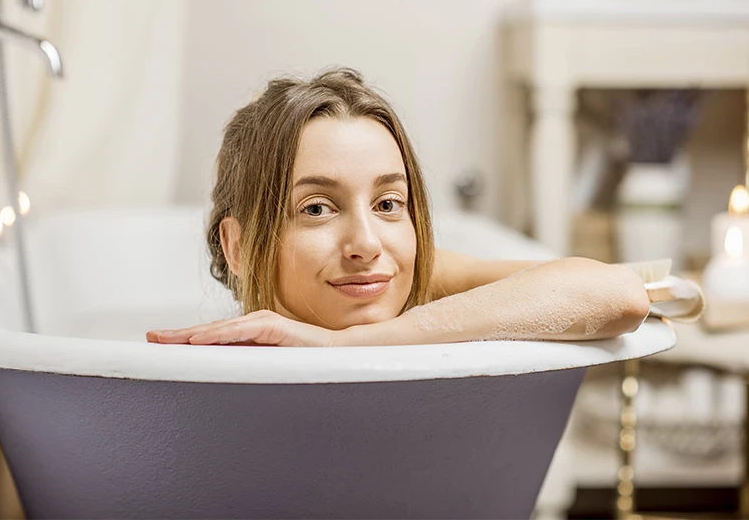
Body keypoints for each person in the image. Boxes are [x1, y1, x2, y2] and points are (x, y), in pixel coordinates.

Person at [146, 67, 649, 347]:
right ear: (236, 247)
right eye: (317, 209)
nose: (366, 244)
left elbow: (619, 294)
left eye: (388, 202)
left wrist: (355, 346)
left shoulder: (421, 281)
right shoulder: (204, 365)